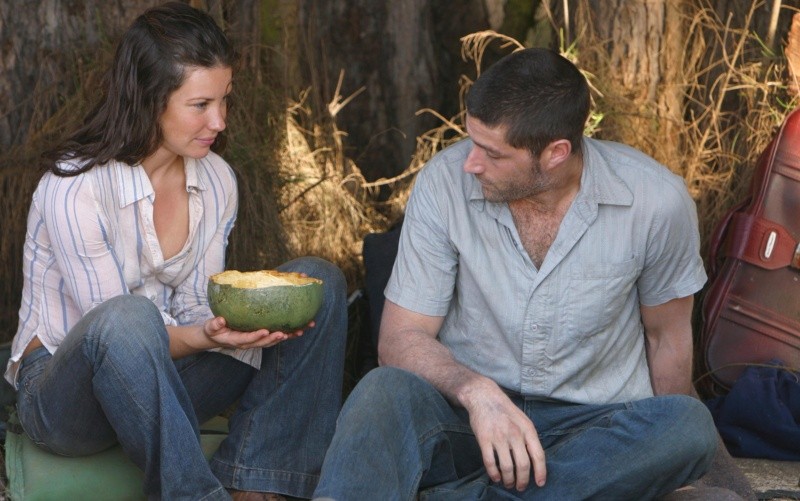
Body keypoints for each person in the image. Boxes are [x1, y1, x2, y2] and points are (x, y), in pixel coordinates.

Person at [312, 48, 723, 500]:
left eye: (492, 153)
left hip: (594, 433)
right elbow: (399, 338)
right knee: (381, 391)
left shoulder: (656, 201)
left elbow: (666, 338)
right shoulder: (442, 183)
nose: (470, 163)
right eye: (471, 141)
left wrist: (663, 469)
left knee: (688, 427)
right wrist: (476, 392)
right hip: (468, 419)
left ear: (555, 153)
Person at [6, 3, 347, 500]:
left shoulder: (216, 179)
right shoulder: (74, 187)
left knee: (322, 283)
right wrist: (204, 337)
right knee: (128, 317)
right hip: (67, 401)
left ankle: (255, 484)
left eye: (224, 100)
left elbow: (193, 305)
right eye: (200, 104)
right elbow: (118, 340)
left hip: (165, 382)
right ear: (150, 100)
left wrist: (224, 329)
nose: (220, 121)